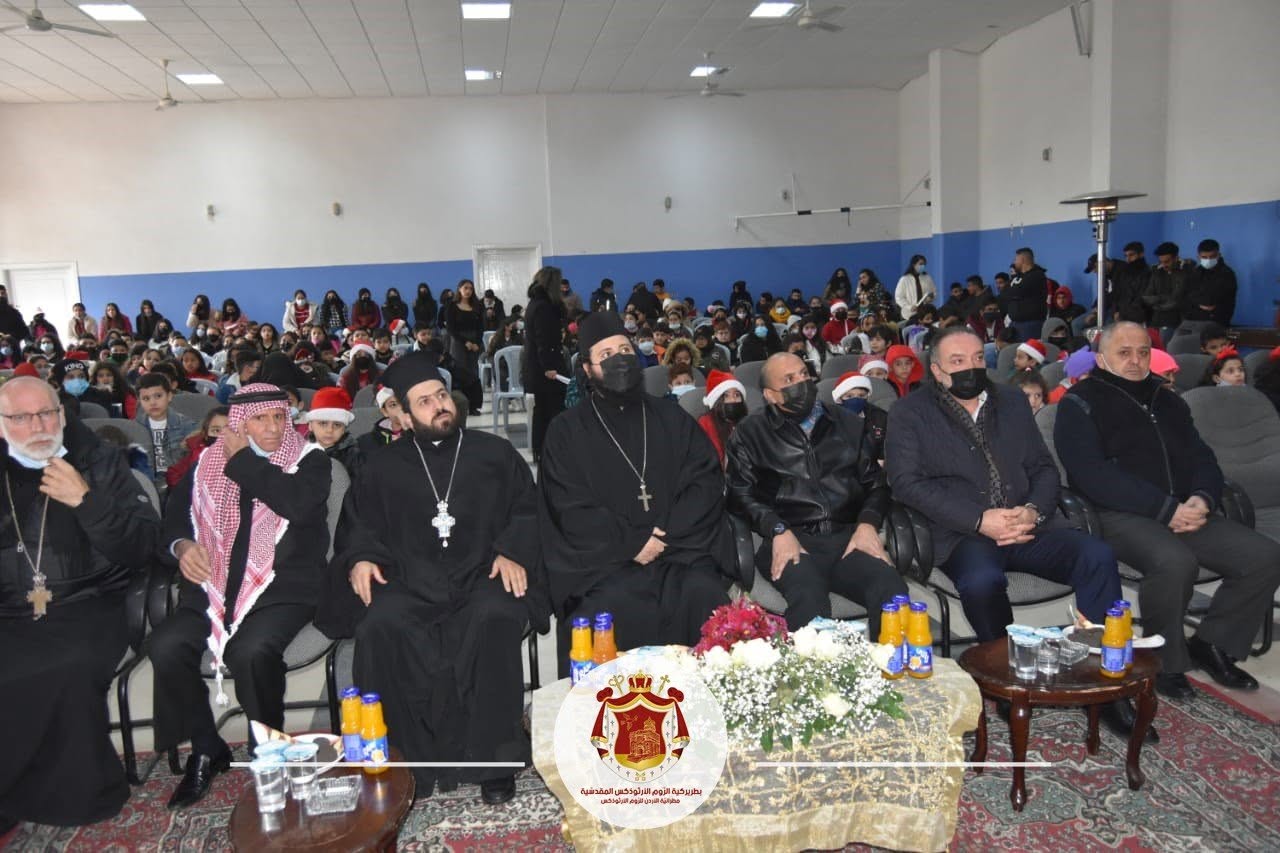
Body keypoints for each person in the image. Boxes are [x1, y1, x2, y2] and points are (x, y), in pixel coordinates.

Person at [317, 353, 548, 804]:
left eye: (441, 395)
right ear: (403, 416)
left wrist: (512, 550)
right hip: (408, 579)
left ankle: (494, 761)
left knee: (496, 614)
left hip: (482, 572)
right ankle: (409, 763)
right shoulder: (380, 467)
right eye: (424, 401)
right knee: (381, 625)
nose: (439, 405)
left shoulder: (494, 453)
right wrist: (360, 558)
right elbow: (358, 526)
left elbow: (528, 508)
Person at [885, 328, 1128, 725]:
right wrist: (979, 520)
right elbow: (905, 484)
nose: (971, 367)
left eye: (977, 358)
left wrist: (1032, 510)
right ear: (937, 371)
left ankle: (1104, 681)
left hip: (1026, 523)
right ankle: (1006, 676)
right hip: (963, 532)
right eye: (958, 361)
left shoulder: (1011, 401)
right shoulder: (910, 412)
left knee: (1096, 555)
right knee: (982, 581)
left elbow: (1043, 468)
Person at [1055, 322, 1280, 698]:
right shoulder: (1079, 403)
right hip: (1116, 513)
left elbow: (1202, 458)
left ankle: (1214, 644)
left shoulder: (1169, 400)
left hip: (1183, 508)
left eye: (1143, 352)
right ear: (1101, 359)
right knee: (1175, 562)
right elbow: (1092, 475)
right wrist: (1164, 510)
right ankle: (1165, 660)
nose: (1135, 360)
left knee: (1264, 557)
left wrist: (1203, 498)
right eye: (1124, 352)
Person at [149, 384, 333, 809]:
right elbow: (174, 522)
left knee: (250, 652)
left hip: (282, 588)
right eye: (259, 419)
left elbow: (297, 505)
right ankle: (206, 747)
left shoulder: (310, 460)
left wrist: (243, 461)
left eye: (278, 417)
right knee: (166, 645)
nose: (272, 428)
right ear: (237, 424)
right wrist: (183, 547)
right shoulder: (205, 465)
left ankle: (266, 748)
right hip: (214, 587)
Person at [0, 377, 160, 830]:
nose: (38, 426)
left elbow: (143, 546)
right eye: (21, 417)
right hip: (9, 611)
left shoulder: (100, 461)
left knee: (63, 666)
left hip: (90, 602)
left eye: (47, 413)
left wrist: (86, 502)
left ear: (62, 414)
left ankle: (72, 794)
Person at [539, 311, 732, 676]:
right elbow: (568, 506)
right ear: (588, 369)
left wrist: (664, 536)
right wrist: (632, 542)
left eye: (625, 350)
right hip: (605, 566)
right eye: (606, 354)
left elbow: (704, 483)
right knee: (602, 614)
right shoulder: (565, 432)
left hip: (678, 555)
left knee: (705, 596)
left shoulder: (672, 418)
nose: (620, 359)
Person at [727, 353, 908, 634]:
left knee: (892, 591)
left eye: (803, 374)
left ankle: (890, 662)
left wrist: (868, 524)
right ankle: (811, 665)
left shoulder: (848, 423)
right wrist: (777, 529)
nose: (801, 383)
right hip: (790, 538)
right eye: (789, 380)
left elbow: (876, 483)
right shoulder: (750, 433)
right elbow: (740, 495)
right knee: (809, 599)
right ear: (770, 395)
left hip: (848, 537)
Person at [521, 266, 570, 462]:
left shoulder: (536, 303)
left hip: (538, 365)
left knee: (543, 409)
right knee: (551, 409)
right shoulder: (543, 306)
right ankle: (549, 450)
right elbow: (544, 340)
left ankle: (542, 450)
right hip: (546, 366)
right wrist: (549, 367)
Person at [135, 373, 195, 499]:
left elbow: (192, 461)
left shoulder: (187, 425)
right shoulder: (135, 427)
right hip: (147, 482)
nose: (152, 402)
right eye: (146, 398)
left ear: (169, 396)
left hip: (177, 482)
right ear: (139, 401)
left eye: (158, 396)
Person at [302, 386, 361, 477]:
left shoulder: (354, 456)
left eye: (337, 425)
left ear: (344, 429)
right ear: (310, 425)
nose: (330, 430)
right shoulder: (300, 452)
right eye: (323, 423)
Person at [165, 406, 229, 490]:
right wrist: (187, 490)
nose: (221, 436)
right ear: (205, 434)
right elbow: (173, 474)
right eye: (216, 431)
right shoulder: (196, 452)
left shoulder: (242, 458)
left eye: (229, 430)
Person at [1181, 238, 1237, 328]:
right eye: (1204, 257)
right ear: (1198, 257)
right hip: (1192, 320)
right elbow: (1185, 296)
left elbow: (1209, 300)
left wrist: (1196, 300)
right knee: (1178, 336)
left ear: (1218, 255)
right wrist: (1198, 301)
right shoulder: (1195, 272)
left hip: (1217, 321)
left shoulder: (1226, 274)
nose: (1208, 260)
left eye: (1212, 257)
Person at [697, 370, 747, 469]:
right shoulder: (705, 423)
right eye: (726, 396)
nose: (733, 400)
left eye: (737, 395)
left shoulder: (748, 422)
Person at [1145, 243, 1192, 345]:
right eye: (1161, 262)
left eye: (1167, 261)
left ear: (1176, 258)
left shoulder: (1186, 273)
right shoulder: (1157, 273)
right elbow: (1147, 297)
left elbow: (1176, 299)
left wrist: (1158, 301)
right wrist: (1161, 300)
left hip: (1177, 322)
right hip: (1156, 320)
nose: (1164, 265)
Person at [999, 248, 1050, 342]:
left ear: (1022, 260)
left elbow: (1018, 292)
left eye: (1016, 259)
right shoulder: (1017, 277)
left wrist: (1012, 294)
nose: (1014, 262)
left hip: (1030, 325)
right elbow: (1004, 293)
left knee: (1027, 350)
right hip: (1014, 324)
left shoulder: (1037, 275)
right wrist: (1012, 294)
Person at [895, 255, 936, 322]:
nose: (922, 266)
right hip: (910, 314)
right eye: (920, 264)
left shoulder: (927, 277)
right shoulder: (905, 279)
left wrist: (931, 297)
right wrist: (909, 307)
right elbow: (899, 297)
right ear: (914, 264)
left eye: (924, 264)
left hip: (925, 313)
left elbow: (933, 291)